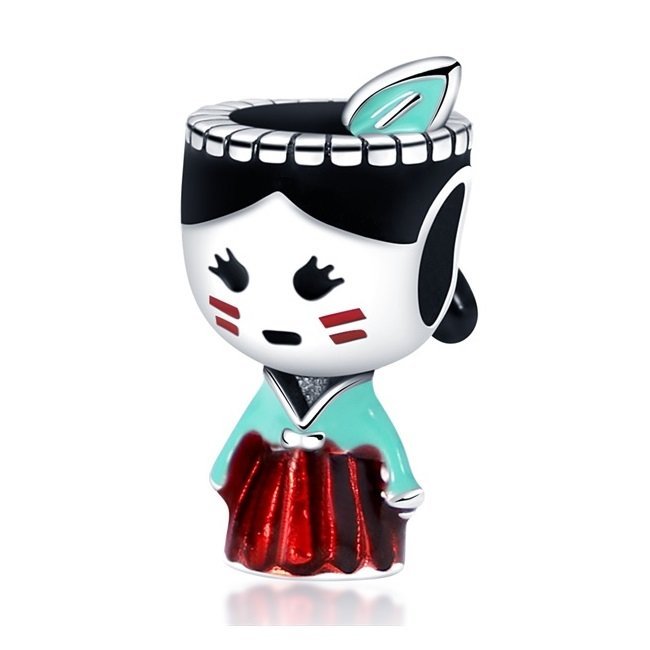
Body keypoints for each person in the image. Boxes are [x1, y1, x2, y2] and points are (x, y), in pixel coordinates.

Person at [182, 87, 476, 577]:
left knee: (350, 531)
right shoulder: (275, 391)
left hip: (347, 490)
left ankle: (352, 559)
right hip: (276, 488)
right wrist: (224, 465)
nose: (274, 315)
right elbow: (250, 427)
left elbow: (376, 433)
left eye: (316, 286)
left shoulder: (353, 398)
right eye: (232, 277)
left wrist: (400, 480)